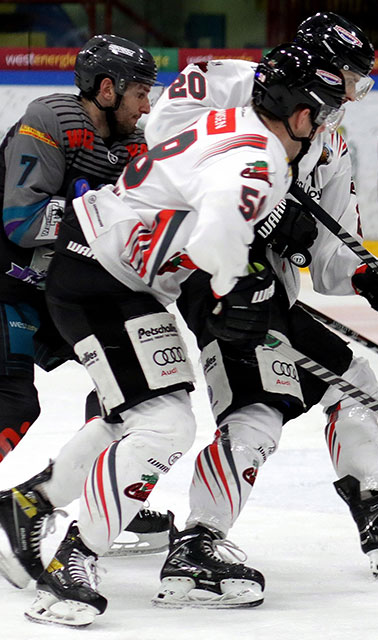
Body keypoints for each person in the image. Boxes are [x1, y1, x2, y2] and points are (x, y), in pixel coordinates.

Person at [16, 42, 345, 628]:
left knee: (134, 415)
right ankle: (73, 562)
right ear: (301, 116)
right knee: (166, 423)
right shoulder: (261, 158)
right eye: (323, 115)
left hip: (118, 274)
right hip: (99, 278)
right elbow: (220, 224)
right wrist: (230, 286)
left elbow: (171, 119)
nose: (323, 129)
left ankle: (27, 503)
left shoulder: (217, 120)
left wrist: (232, 286)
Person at [143, 11, 378, 598]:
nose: (353, 94)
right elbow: (160, 149)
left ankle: (374, 515)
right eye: (350, 78)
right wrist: (260, 202)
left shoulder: (328, 140)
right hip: (199, 270)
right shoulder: (222, 83)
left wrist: (370, 280)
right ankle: (198, 542)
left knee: (348, 378)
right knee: (259, 404)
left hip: (260, 285)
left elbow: (331, 255)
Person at [0, 34, 175, 593]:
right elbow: (21, 224)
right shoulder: (48, 119)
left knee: (123, 384)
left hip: (56, 289)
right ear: (107, 89)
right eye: (141, 93)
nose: (148, 107)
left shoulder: (134, 143)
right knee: (14, 400)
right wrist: (106, 216)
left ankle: (100, 490)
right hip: (6, 284)